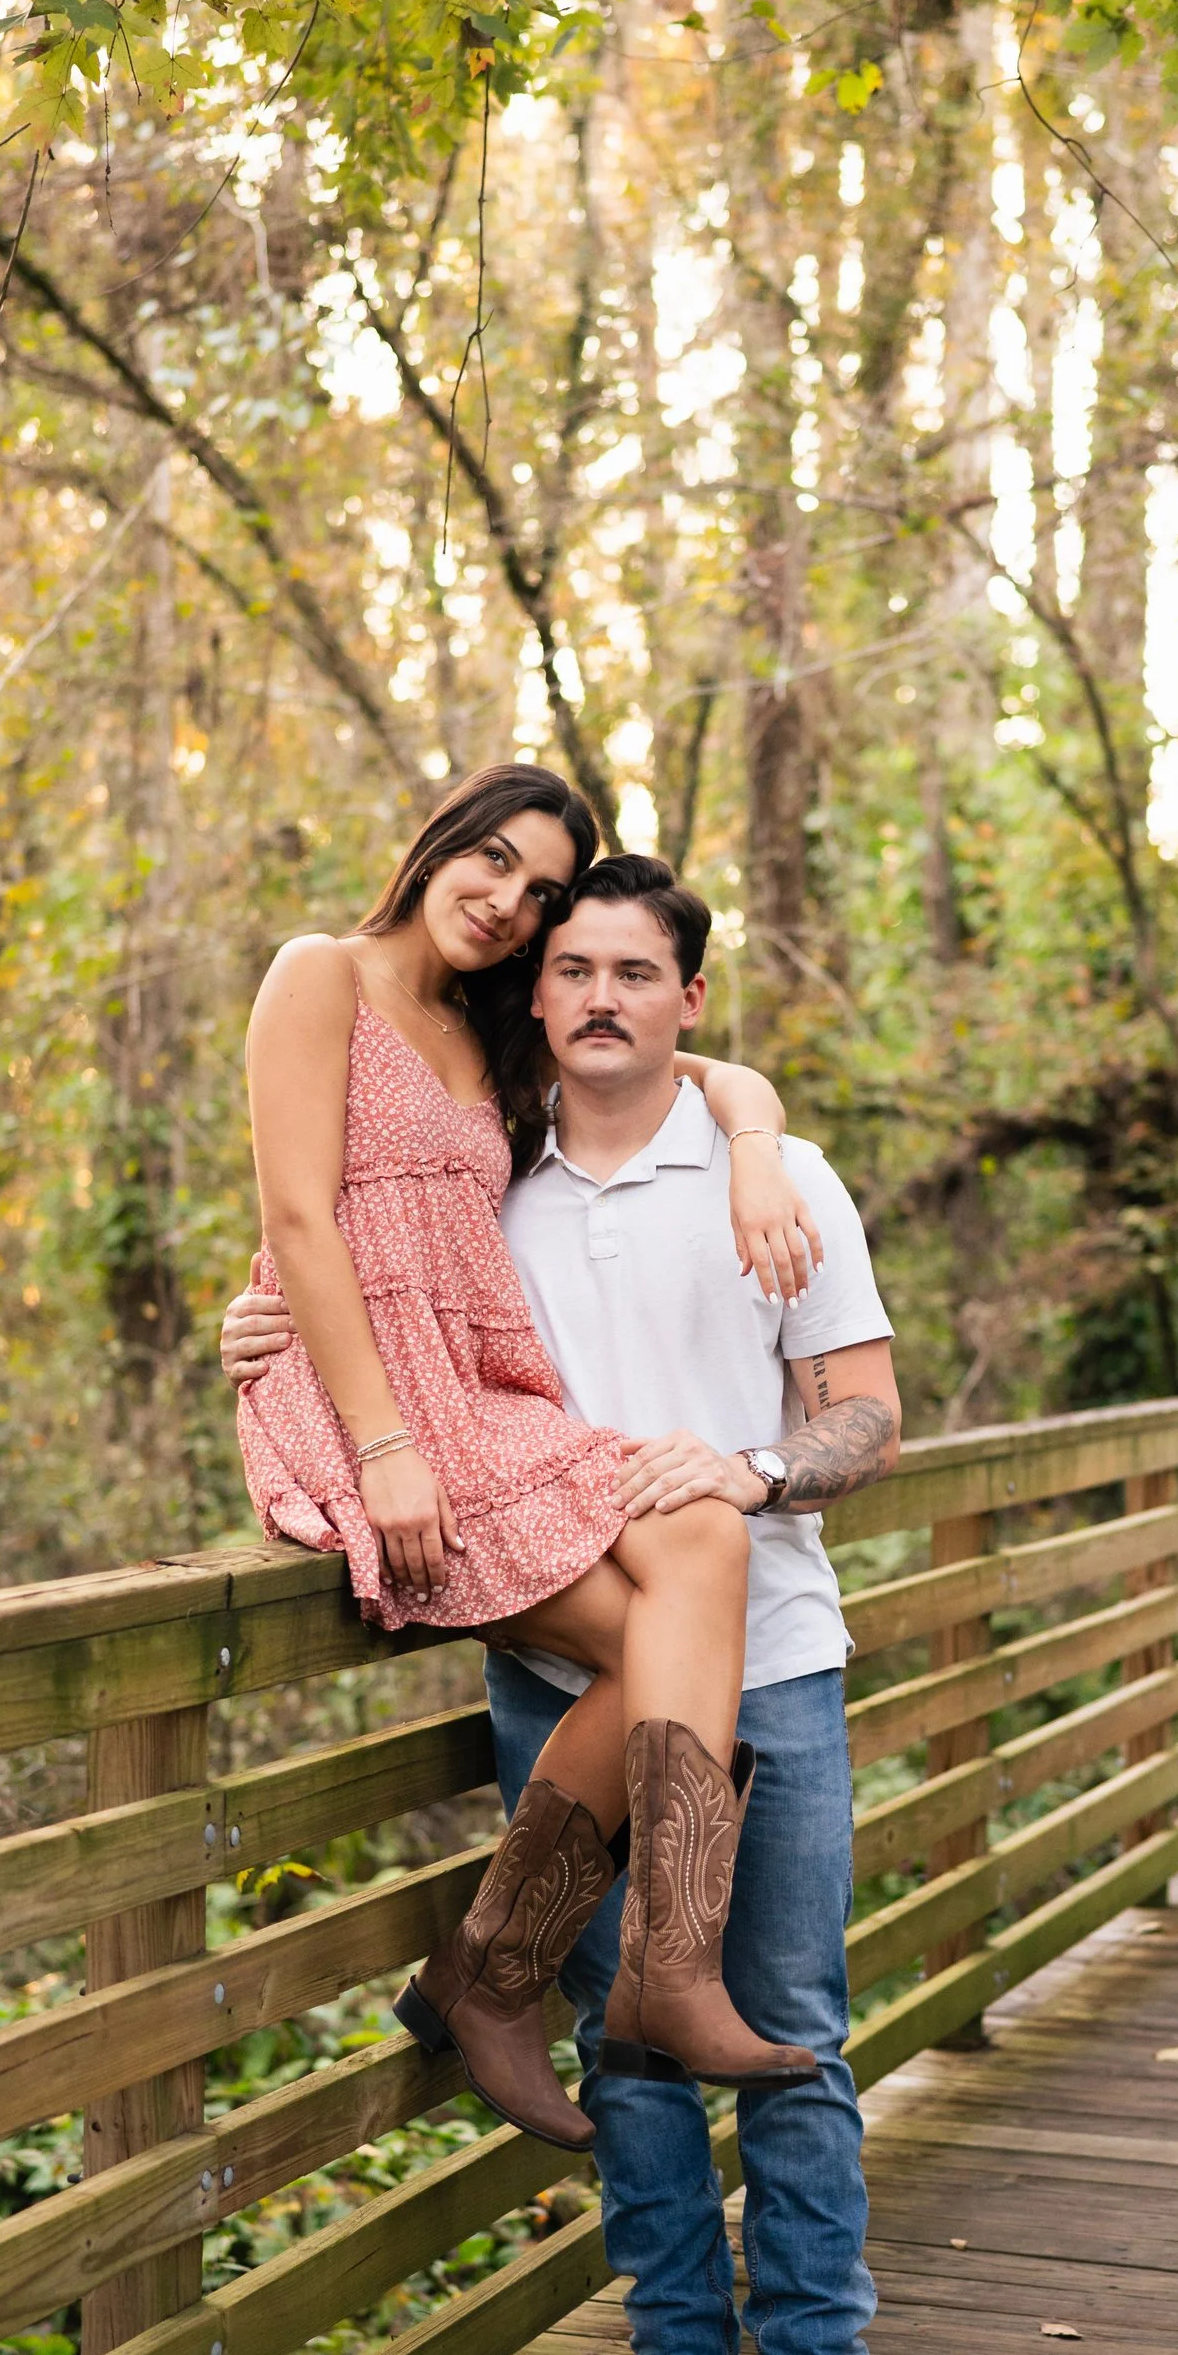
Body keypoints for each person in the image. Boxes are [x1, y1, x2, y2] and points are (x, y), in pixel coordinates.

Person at [224, 852, 913, 2355]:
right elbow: (349, 1256)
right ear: (537, 994)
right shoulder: (492, 1176)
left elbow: (869, 1418)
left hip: (780, 1662)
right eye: (573, 966)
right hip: (561, 1658)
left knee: (796, 2041)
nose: (600, 993)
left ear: (690, 998)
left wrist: (751, 1471)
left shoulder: (780, 1174)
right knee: (633, 2055)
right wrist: (265, 1332)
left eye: (637, 970)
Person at [237, 766, 831, 2164]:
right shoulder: (318, 974)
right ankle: (503, 1972)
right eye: (490, 860)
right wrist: (382, 1443)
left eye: (539, 890)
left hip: (480, 1385)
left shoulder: (496, 1021)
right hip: (368, 1396)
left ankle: (656, 1972)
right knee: (663, 1650)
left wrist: (754, 1146)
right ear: (436, 839)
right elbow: (296, 1217)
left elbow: (697, 1057)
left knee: (701, 1536)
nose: (504, 901)